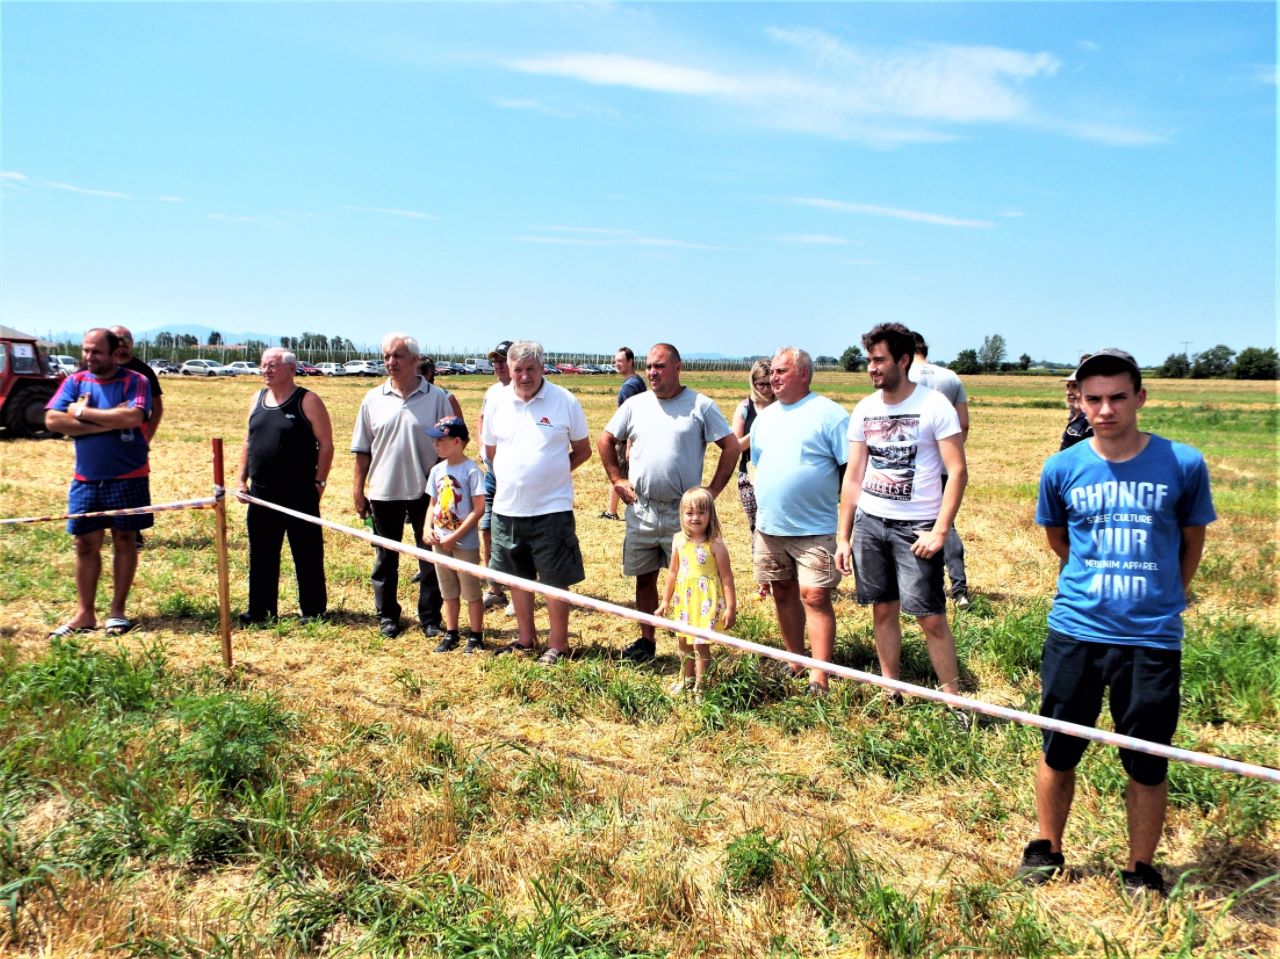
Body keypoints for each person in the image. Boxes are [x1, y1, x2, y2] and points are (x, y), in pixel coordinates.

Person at [1018, 348, 1214, 896]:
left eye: (1118, 397)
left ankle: (1140, 869)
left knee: (1147, 760)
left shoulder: (1183, 464)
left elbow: (1191, 543)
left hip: (1151, 638)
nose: (1105, 410)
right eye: (1094, 399)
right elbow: (1059, 540)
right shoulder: (1062, 468)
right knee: (1058, 748)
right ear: (1079, 402)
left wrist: (1162, 597)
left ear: (1140, 398)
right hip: (1076, 631)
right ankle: (1047, 848)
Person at [835, 323, 967, 705]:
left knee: (931, 617)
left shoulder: (934, 405)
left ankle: (955, 702)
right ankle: (891, 688)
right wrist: (844, 536)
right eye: (869, 360)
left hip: (917, 527)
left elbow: (957, 470)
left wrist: (939, 531)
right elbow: (853, 476)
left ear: (903, 360)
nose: (871, 368)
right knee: (882, 610)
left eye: (879, 360)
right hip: (870, 523)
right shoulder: (865, 409)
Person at [598, 342, 737, 663]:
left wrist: (712, 491)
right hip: (642, 509)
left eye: (659, 366)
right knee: (644, 577)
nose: (652, 372)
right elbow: (605, 440)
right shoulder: (635, 405)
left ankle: (690, 646)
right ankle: (647, 641)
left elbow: (730, 447)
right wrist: (617, 479)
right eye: (649, 366)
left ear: (677, 367)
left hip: (684, 514)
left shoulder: (701, 406)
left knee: (690, 578)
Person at [482, 340, 592, 665]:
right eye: (518, 369)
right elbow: (490, 451)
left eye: (531, 369)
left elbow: (583, 450)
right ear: (509, 369)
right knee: (518, 579)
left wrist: (554, 474)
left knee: (555, 579)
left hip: (551, 510)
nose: (524, 376)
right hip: (507, 509)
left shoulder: (564, 401)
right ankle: (525, 640)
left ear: (543, 368)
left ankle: (558, 645)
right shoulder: (497, 402)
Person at [750, 346, 849, 694]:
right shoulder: (765, 418)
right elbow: (759, 463)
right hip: (770, 527)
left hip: (815, 528)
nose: (773, 378)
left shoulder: (830, 415)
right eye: (772, 372)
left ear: (804, 374)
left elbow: (850, 470)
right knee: (782, 590)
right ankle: (795, 660)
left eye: (781, 371)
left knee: (815, 596)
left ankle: (819, 676)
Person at [44, 328, 153, 637]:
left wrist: (80, 413)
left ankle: (117, 612)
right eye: (86, 350)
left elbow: (133, 417)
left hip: (129, 476)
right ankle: (85, 614)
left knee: (125, 540)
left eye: (97, 352)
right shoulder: (75, 381)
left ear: (115, 353)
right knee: (84, 544)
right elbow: (52, 420)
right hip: (86, 479)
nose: (89, 357)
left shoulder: (136, 381)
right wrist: (107, 422)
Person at [351, 332, 454, 638]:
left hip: (427, 494)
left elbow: (449, 445)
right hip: (383, 492)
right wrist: (358, 490)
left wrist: (442, 487)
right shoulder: (372, 399)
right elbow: (362, 450)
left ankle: (430, 618)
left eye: (397, 356)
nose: (390, 362)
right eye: (386, 356)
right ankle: (387, 616)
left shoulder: (437, 398)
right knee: (385, 559)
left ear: (414, 360)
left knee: (430, 557)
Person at [234, 349, 333, 624]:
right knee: (262, 553)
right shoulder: (257, 399)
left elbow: (326, 444)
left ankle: (313, 610)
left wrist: (319, 482)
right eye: (263, 365)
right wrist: (241, 480)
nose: (266, 370)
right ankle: (261, 611)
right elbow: (248, 441)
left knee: (307, 553)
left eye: (272, 365)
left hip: (300, 492)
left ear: (291, 369)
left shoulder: (308, 400)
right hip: (261, 493)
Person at [909, 331, 971, 608]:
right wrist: (949, 454)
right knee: (947, 523)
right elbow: (963, 424)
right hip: (944, 465)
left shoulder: (903, 376)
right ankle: (959, 589)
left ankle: (917, 584)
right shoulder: (950, 377)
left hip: (910, 465)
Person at [656, 486, 736, 696]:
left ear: (710, 515)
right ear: (682, 515)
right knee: (683, 642)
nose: (695, 518)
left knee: (700, 644)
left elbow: (727, 578)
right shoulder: (678, 540)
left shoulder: (715, 544)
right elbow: (673, 572)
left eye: (701, 512)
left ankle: (701, 685)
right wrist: (665, 601)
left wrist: (731, 607)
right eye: (689, 513)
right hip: (684, 600)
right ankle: (686, 679)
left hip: (705, 601)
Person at [424, 416, 487, 654]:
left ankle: (476, 635)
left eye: (441, 440)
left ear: (457, 441)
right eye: (435, 441)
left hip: (464, 542)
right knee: (448, 590)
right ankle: (452, 633)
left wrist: (455, 536)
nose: (436, 445)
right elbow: (433, 503)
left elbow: (478, 509)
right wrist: (427, 528)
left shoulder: (472, 471)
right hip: (440, 540)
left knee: (471, 590)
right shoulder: (436, 470)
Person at [476, 340, 512, 611]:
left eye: (502, 360)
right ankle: (495, 589)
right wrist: (481, 445)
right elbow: (481, 418)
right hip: (491, 476)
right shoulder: (492, 392)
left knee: (515, 536)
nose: (498, 365)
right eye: (495, 361)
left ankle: (523, 590)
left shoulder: (522, 392)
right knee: (486, 530)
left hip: (514, 479)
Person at [599, 346, 647, 520]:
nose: (616, 364)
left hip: (627, 439)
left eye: (620, 361)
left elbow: (632, 419)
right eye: (615, 361)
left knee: (618, 474)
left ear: (630, 362)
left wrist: (629, 445)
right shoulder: (638, 381)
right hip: (637, 437)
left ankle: (612, 512)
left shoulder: (628, 387)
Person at [731, 358, 775, 538]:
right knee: (756, 528)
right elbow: (735, 447)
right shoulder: (744, 408)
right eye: (761, 384)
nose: (766, 389)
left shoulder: (784, 406)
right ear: (753, 383)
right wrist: (757, 431)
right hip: (750, 475)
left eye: (770, 384)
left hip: (778, 473)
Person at [110, 326, 164, 441]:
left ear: (132, 342)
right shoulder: (97, 368)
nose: (121, 343)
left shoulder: (144, 371)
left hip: (135, 434)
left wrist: (147, 438)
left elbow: (157, 408)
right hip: (102, 434)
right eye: (116, 339)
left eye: (125, 339)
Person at [418, 356, 466, 421]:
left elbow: (459, 424)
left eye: (416, 375)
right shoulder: (409, 397)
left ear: (428, 374)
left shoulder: (448, 398)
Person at [1060, 371, 1093, 450]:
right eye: (1068, 386)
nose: (1068, 392)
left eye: (1075, 386)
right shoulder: (1073, 415)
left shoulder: (1089, 421)